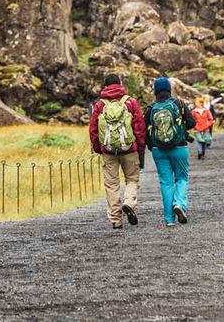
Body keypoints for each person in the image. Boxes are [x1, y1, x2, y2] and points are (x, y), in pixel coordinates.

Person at [88, 74, 146, 229]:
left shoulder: (99, 105)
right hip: (129, 149)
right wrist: (140, 145)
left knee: (112, 184)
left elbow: (93, 128)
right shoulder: (130, 102)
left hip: (108, 150)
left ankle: (116, 220)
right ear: (120, 83)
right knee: (132, 179)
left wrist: (98, 147)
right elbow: (139, 125)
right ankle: (129, 202)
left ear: (105, 86)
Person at [144, 77, 196, 227]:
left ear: (155, 90)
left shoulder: (150, 108)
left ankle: (169, 219)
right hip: (179, 148)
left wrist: (150, 145)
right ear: (169, 89)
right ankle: (179, 204)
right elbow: (192, 122)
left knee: (166, 183)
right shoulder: (178, 103)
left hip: (158, 151)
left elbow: (143, 130)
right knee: (181, 178)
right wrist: (180, 131)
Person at [192, 95, 214, 160]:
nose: (196, 103)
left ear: (201, 103)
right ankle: (199, 152)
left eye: (197, 102)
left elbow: (211, 119)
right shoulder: (193, 111)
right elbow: (191, 120)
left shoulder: (206, 111)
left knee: (205, 141)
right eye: (195, 102)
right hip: (197, 129)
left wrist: (207, 125)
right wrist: (195, 126)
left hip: (205, 129)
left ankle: (203, 152)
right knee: (199, 140)